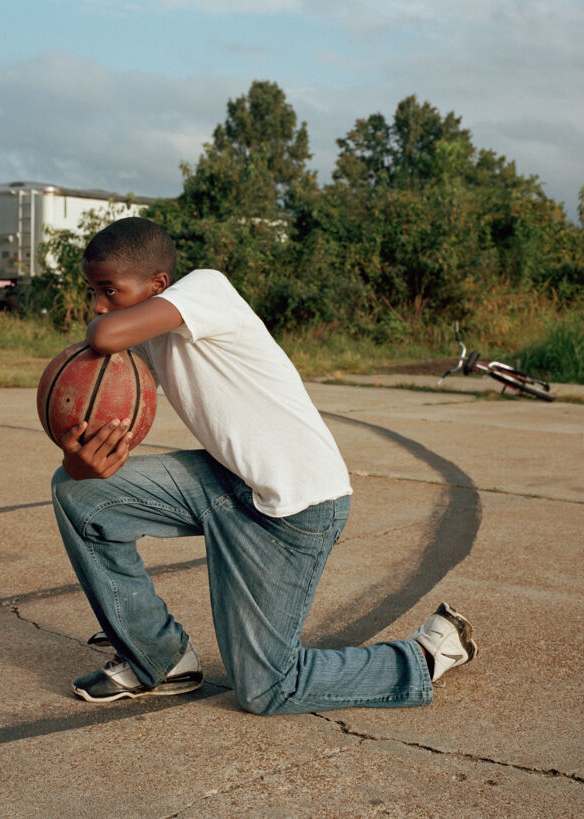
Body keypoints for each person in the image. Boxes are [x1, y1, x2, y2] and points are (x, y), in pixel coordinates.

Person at [50, 217, 476, 715]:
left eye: (108, 290)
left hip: (295, 506)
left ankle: (423, 656)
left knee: (266, 689)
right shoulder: (148, 337)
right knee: (79, 491)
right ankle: (159, 660)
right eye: (92, 291)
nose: (98, 305)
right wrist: (83, 460)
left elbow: (101, 335)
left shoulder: (206, 288)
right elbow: (114, 410)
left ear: (157, 285)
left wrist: (102, 326)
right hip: (224, 482)